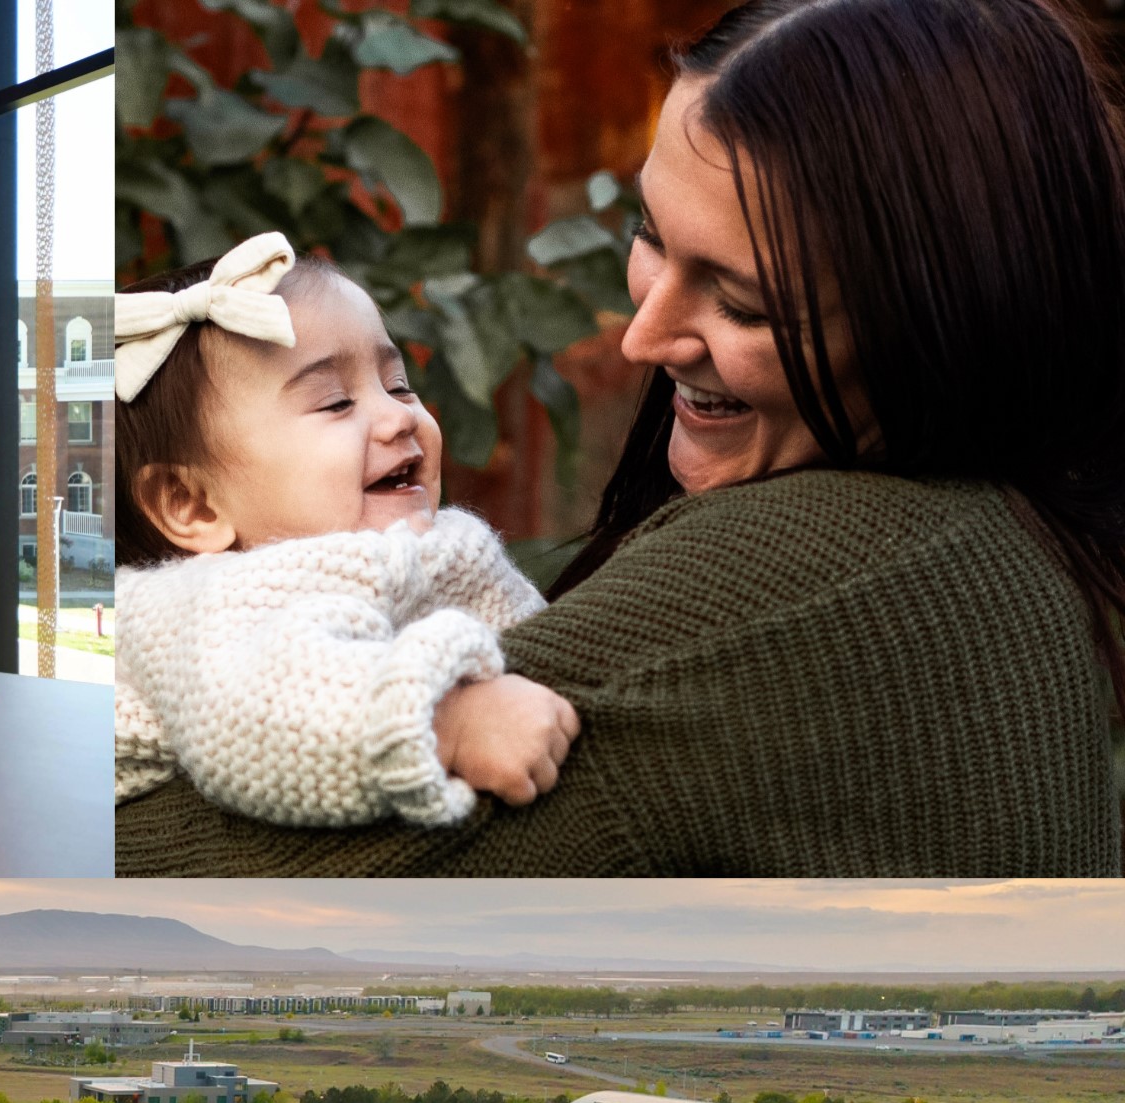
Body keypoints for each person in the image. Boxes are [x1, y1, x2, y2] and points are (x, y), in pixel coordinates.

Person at [117, 0, 1125, 876]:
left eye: (741, 302)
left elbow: (222, 882)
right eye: (651, 238)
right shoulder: (988, 537)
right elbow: (254, 705)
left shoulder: (806, 578)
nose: (641, 337)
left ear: (946, 321)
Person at [112, 234, 575, 827]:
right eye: (335, 402)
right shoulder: (201, 603)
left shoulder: (443, 549)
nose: (398, 415)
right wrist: (447, 722)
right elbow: (260, 714)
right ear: (193, 505)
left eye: (398, 384)